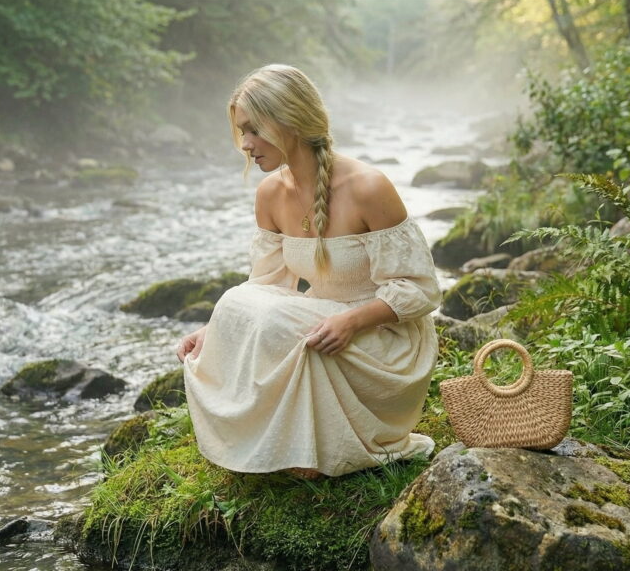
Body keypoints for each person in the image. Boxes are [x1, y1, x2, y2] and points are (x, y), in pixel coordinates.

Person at [176, 64, 440, 478]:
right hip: (319, 326)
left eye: (252, 130)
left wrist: (352, 320)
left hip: (383, 343)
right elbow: (265, 289)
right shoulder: (270, 194)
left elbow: (420, 290)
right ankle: (290, 447)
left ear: (289, 121)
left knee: (273, 318)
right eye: (241, 132)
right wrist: (219, 331)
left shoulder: (369, 187)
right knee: (238, 303)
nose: (245, 144)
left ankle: (333, 443)